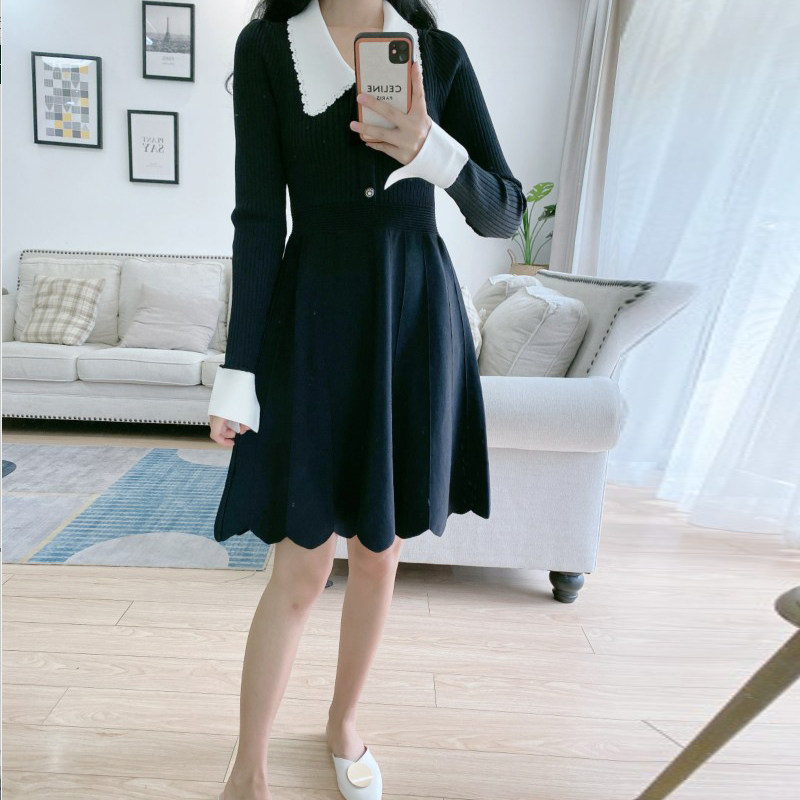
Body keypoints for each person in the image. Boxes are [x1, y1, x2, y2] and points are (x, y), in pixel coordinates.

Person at [207, 1, 526, 798]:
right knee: (301, 562)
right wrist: (239, 373)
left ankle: (344, 723)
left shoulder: (436, 54)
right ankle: (248, 768)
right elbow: (257, 221)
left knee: (380, 554)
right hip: (312, 320)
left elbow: (503, 213)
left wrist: (431, 150)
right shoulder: (267, 48)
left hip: (411, 320)